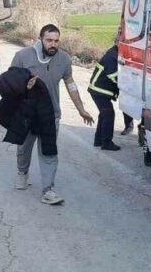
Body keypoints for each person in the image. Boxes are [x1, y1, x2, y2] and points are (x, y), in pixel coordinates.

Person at [10, 24, 95, 205]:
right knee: (24, 148)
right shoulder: (23, 56)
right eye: (49, 40)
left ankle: (48, 189)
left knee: (48, 151)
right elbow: (10, 83)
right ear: (40, 39)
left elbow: (70, 84)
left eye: (56, 41)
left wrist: (81, 108)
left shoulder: (63, 59)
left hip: (50, 115)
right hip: (28, 114)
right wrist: (23, 87)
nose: (53, 44)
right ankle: (22, 172)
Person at [88, 31, 124, 151]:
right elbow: (113, 76)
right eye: (122, 42)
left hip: (99, 90)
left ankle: (98, 140)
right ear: (117, 42)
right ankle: (106, 143)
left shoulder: (115, 53)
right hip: (99, 91)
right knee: (108, 114)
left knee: (104, 114)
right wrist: (127, 85)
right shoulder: (112, 56)